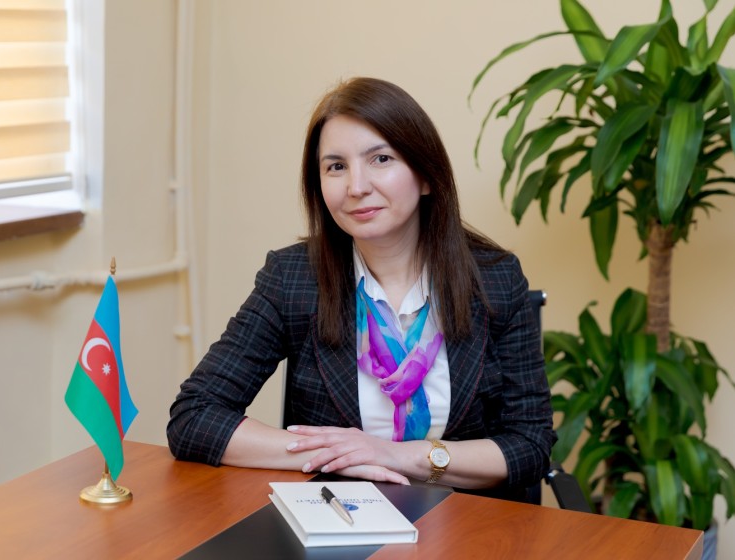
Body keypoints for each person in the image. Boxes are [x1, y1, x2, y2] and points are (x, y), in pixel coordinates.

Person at [167, 77, 555, 500]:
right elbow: (195, 415)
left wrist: (398, 456)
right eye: (336, 166)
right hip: (341, 517)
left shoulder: (496, 279)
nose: (356, 187)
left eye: (381, 159)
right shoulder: (293, 278)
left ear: (426, 176)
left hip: (468, 522)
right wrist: (337, 455)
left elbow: (530, 446)